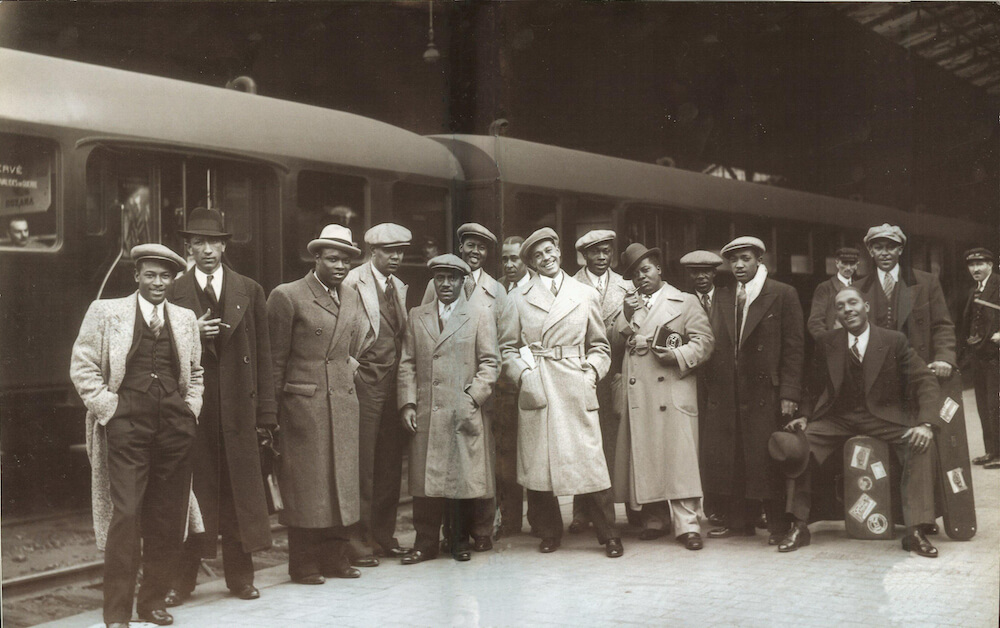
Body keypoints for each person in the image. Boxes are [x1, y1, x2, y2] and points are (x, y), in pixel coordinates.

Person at [70, 244, 204, 628]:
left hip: (175, 426)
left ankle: (153, 603)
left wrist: (190, 409)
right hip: (126, 423)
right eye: (150, 274)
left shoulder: (184, 318)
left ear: (173, 279)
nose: (158, 282)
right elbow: (82, 366)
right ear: (137, 276)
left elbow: (195, 372)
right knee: (126, 515)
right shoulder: (106, 312)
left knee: (167, 515)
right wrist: (108, 408)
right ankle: (116, 615)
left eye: (165, 276)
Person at [164, 208, 276, 605]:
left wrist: (266, 414)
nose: (207, 250)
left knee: (238, 495)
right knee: (191, 497)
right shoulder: (174, 291)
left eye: (214, 242)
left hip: (239, 413)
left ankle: (240, 578)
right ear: (188, 247)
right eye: (198, 243)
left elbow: (264, 356)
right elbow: (160, 351)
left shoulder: (250, 289)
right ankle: (182, 581)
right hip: (193, 411)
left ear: (224, 245)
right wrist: (191, 333)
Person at [779, 286, 942, 558]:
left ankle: (916, 530)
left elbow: (924, 380)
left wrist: (926, 423)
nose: (847, 310)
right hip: (838, 418)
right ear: (837, 314)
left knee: (919, 444)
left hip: (883, 417)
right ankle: (798, 525)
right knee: (800, 444)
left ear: (866, 306)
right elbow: (812, 385)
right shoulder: (827, 342)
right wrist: (804, 416)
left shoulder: (893, 340)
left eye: (852, 303)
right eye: (840, 306)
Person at [499, 227, 624, 558]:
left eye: (550, 251)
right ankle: (548, 531)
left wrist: (592, 371)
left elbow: (600, 345)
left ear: (560, 252)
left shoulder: (584, 294)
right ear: (532, 264)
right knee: (541, 463)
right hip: (538, 380)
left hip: (574, 381)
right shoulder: (517, 299)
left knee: (591, 461)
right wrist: (524, 374)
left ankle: (609, 534)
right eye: (538, 255)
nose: (547, 258)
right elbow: (508, 348)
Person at [266, 224, 367, 584]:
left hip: (342, 402)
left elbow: (352, 348)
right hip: (303, 408)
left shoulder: (352, 296)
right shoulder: (287, 295)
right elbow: (275, 360)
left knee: (340, 484)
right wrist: (270, 414)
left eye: (346, 260)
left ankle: (336, 560)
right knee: (308, 489)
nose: (340, 266)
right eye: (333, 258)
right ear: (316, 258)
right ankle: (304, 564)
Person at [701, 236, 804, 545]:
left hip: (765, 391)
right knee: (735, 456)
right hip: (730, 390)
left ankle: (777, 526)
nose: (739, 265)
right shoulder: (724, 295)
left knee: (766, 457)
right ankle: (739, 522)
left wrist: (789, 393)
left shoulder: (783, 294)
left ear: (760, 259)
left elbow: (794, 348)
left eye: (745, 258)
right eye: (733, 260)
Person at [398, 254, 500, 564]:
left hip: (462, 408)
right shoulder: (417, 315)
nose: (445, 284)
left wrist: (473, 398)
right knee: (424, 482)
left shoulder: (480, 314)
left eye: (452, 278)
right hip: (428, 409)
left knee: (460, 477)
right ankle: (425, 543)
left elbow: (491, 362)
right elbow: (407, 363)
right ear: (433, 281)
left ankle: (458, 540)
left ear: (463, 281)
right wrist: (408, 402)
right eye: (440, 278)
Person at [613, 244, 714, 550]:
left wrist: (676, 355)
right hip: (641, 393)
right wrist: (629, 316)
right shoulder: (629, 306)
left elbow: (705, 342)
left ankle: (687, 525)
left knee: (679, 459)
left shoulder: (684, 302)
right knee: (649, 454)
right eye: (634, 275)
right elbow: (616, 338)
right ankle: (655, 518)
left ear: (659, 269)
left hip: (672, 389)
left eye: (645, 270)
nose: (640, 278)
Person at [420, 223, 511, 549]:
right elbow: (431, 332)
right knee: (450, 462)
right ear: (461, 248)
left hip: (484, 388)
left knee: (481, 463)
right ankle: (453, 532)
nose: (475, 252)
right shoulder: (439, 284)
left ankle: (483, 531)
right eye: (469, 245)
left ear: (487, 253)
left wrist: (481, 389)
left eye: (481, 248)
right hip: (450, 390)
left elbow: (506, 338)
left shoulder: (496, 291)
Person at [343, 223, 413, 561]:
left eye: (401, 251)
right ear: (374, 252)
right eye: (390, 251)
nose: (397, 257)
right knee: (363, 463)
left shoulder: (398, 286)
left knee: (389, 464)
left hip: (393, 385)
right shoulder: (352, 282)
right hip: (365, 383)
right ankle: (358, 538)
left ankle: (383, 535)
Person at [568, 230, 632, 534]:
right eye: (595, 252)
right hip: (582, 371)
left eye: (606, 251)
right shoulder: (570, 285)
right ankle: (581, 510)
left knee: (610, 440)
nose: (602, 257)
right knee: (583, 441)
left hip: (616, 371)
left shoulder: (626, 286)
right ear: (584, 255)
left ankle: (613, 508)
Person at [856, 224, 956, 377]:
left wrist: (944, 357)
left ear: (900, 250)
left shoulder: (926, 283)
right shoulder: (857, 289)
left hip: (917, 369)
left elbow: (942, 325)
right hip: (875, 372)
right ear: (870, 251)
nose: (885, 253)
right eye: (878, 247)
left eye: (891, 247)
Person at [679, 249, 725, 525]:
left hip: (722, 383)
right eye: (695, 272)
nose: (700, 277)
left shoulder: (728, 299)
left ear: (714, 273)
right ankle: (703, 507)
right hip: (694, 381)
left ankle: (720, 505)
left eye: (705, 271)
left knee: (720, 446)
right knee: (698, 445)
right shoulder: (681, 303)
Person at [496, 235, 532, 535]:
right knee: (506, 452)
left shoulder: (539, 289)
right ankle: (509, 520)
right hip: (503, 384)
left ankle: (539, 518)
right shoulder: (495, 290)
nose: (509, 264)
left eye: (515, 259)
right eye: (505, 259)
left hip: (534, 381)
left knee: (534, 451)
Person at [960, 248, 1000, 470]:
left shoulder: (998, 285)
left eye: (981, 264)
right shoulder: (974, 291)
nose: (975, 269)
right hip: (979, 356)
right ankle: (991, 451)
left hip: (996, 355)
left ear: (991, 265)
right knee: (983, 405)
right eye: (972, 265)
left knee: (996, 404)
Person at [807, 247, 861, 339]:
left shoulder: (860, 288)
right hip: (834, 342)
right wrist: (827, 342)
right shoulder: (825, 288)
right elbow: (815, 322)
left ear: (857, 265)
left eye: (852, 264)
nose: (848, 268)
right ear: (837, 263)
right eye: (844, 263)